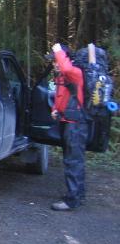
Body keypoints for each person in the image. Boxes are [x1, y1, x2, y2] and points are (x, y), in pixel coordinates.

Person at [49, 42, 88, 211]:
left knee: (73, 161)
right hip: (67, 123)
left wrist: (58, 50)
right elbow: (60, 96)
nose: (54, 63)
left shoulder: (75, 73)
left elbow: (66, 67)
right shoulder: (62, 77)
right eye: (53, 61)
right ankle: (78, 194)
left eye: (56, 60)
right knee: (73, 160)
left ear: (65, 58)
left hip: (76, 126)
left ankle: (72, 200)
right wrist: (55, 109)